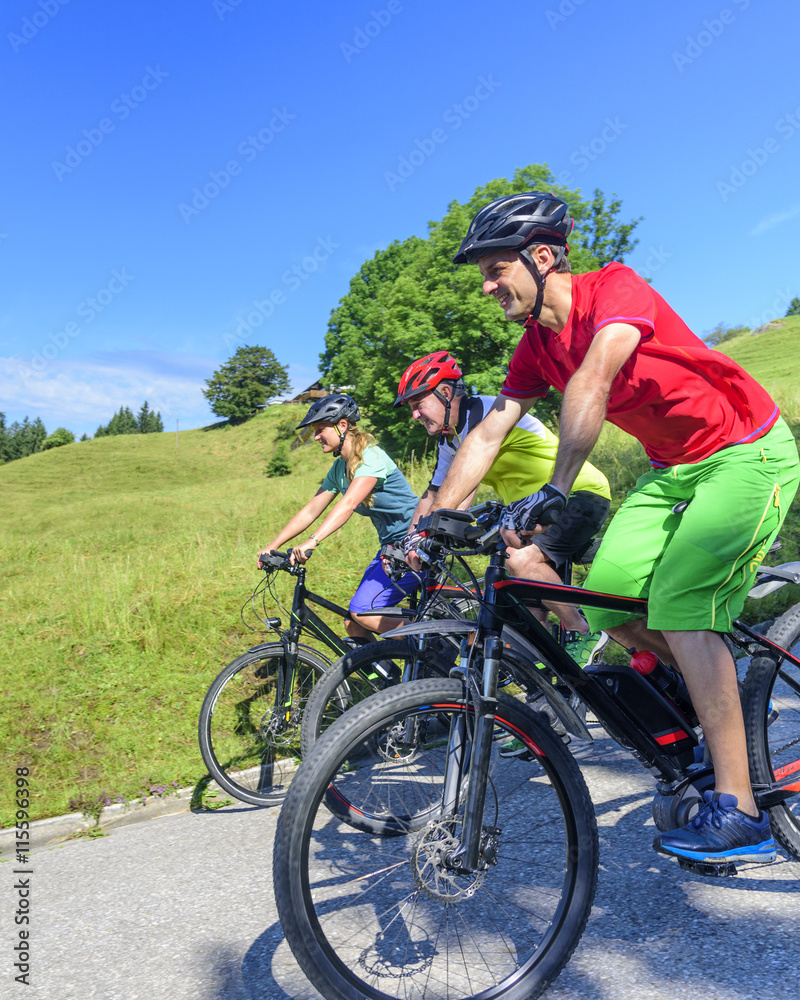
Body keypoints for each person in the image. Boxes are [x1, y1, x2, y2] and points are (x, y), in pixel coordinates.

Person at [434, 190, 800, 866]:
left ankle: (742, 812)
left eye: (496, 270)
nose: (487, 287)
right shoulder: (534, 348)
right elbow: (487, 432)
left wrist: (556, 487)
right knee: (602, 602)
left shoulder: (615, 288)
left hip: (746, 452)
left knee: (683, 603)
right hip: (673, 471)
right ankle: (716, 698)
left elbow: (595, 379)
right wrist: (432, 523)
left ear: (543, 258)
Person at [395, 350, 611, 661]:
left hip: (576, 493)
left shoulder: (488, 413)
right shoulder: (450, 440)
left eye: (418, 404)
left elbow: (465, 485)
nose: (415, 415)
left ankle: (583, 630)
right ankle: (544, 674)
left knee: (518, 560)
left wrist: (430, 533)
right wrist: (409, 541)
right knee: (525, 605)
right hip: (527, 514)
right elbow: (433, 495)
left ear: (445, 392)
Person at [258, 393, 419, 640]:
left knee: (362, 612)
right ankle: (387, 667)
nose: (315, 437)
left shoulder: (371, 457)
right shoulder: (339, 468)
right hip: (390, 548)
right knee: (354, 624)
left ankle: (433, 646)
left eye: (320, 429)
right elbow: (312, 509)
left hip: (416, 543)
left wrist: (313, 541)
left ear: (342, 425)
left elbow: (349, 503)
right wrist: (273, 545)